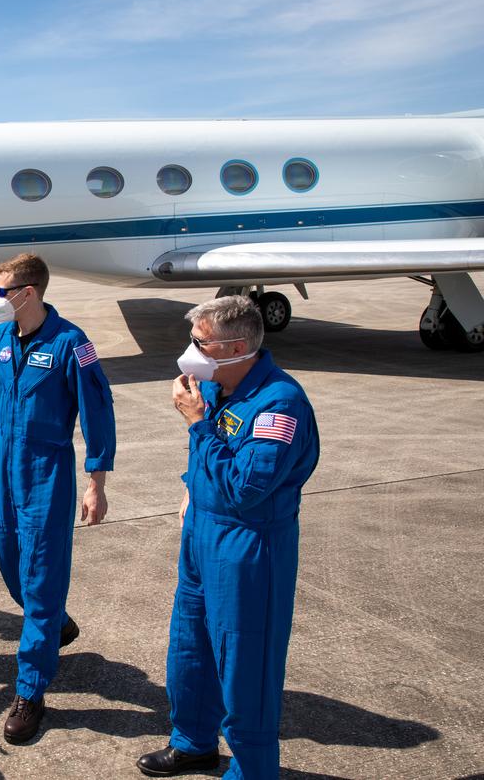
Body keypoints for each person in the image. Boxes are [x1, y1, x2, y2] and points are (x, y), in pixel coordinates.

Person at [137, 296, 319, 779]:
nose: (189, 351)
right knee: (190, 647)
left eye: (200, 342)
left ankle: (254, 770)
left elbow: (246, 489)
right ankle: (193, 742)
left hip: (247, 546)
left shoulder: (279, 404)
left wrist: (196, 423)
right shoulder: (218, 385)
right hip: (202, 533)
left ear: (236, 347)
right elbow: (210, 463)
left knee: (245, 665)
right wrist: (190, 491)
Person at [0, 252, 116, 744]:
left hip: (47, 473)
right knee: (12, 564)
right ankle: (54, 624)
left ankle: (30, 691)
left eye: (1, 291)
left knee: (42, 576)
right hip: (4, 469)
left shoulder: (73, 344)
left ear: (27, 293)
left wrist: (97, 482)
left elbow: (97, 412)